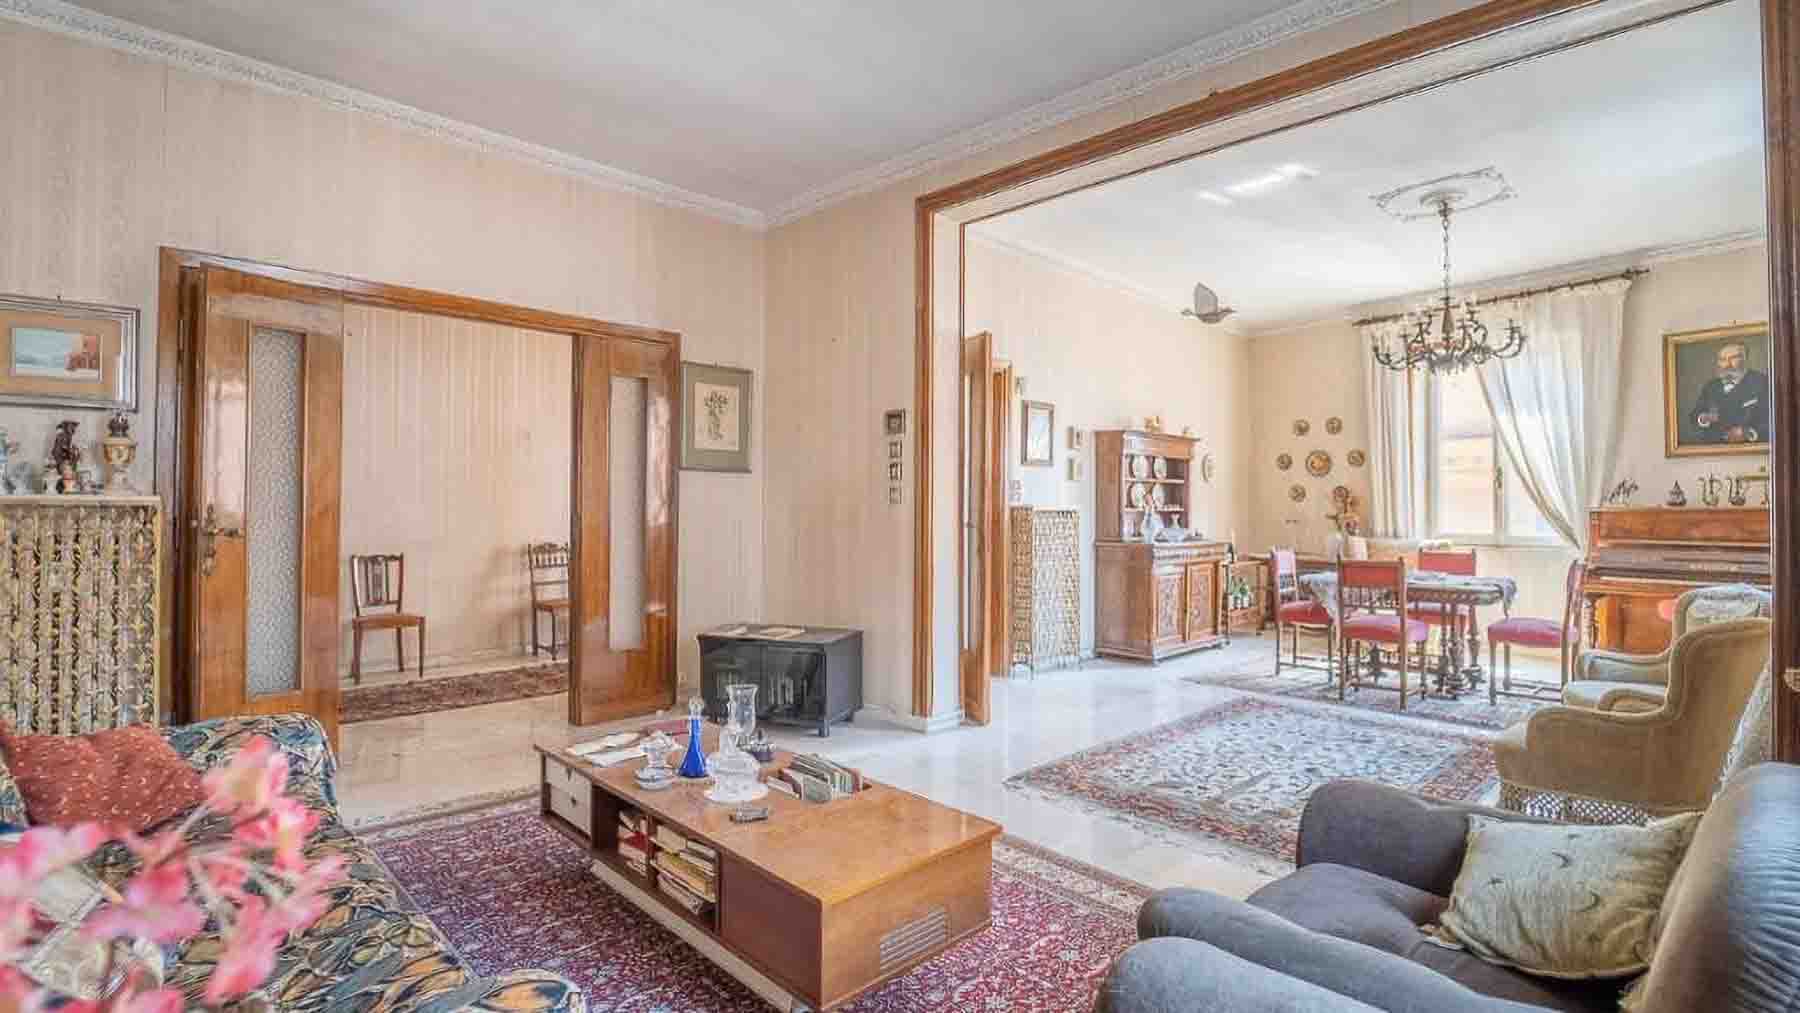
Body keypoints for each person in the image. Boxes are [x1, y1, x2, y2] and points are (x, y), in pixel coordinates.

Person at [1689, 341, 1768, 444]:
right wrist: (1703, 418)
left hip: (1750, 449)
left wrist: (1749, 433)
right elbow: (1694, 416)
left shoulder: (1762, 382)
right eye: (1722, 359)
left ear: (1745, 359)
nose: (1727, 365)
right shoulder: (1711, 386)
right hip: (1714, 448)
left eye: (1734, 358)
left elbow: (1774, 421)